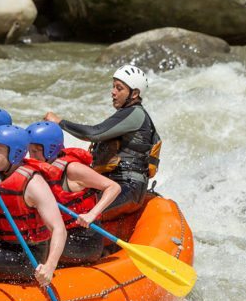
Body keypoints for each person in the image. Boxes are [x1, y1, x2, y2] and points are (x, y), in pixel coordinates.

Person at [44, 65, 161, 220]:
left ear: (135, 94)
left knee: (74, 208)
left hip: (127, 187)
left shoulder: (135, 114)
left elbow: (94, 133)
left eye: (119, 88)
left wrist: (59, 122)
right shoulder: (126, 114)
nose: (113, 92)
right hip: (117, 184)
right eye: (113, 87)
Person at [0, 125, 67, 286]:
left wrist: (49, 266)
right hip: (0, 242)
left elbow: (59, 229)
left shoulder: (33, 184)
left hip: (29, 256)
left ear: (15, 154)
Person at [26, 121, 121, 264]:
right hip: (58, 235)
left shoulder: (72, 169)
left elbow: (113, 187)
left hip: (84, 240)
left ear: (50, 149)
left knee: (39, 247)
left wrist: (92, 214)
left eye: (35, 151)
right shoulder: (38, 169)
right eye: (29, 150)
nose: (31, 155)